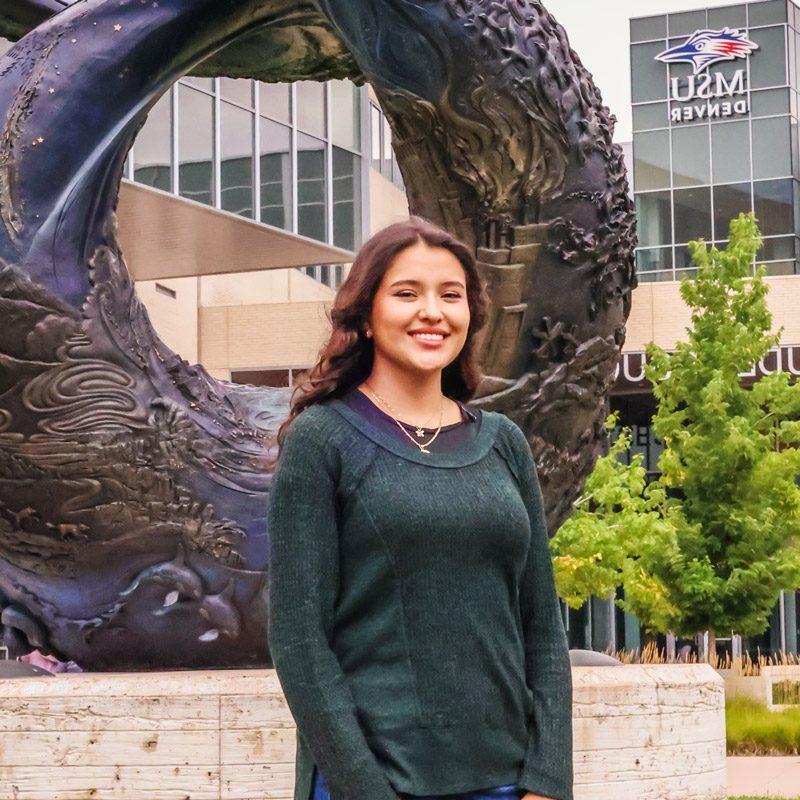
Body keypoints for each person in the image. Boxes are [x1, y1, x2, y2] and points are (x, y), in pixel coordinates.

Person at [267, 216, 573, 800]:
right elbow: (299, 640)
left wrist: (549, 780)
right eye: (406, 293)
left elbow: (540, 625)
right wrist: (364, 789)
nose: (432, 312)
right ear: (365, 314)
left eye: (450, 295)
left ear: (470, 316)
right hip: (377, 784)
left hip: (508, 783)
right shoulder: (323, 440)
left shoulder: (504, 442)